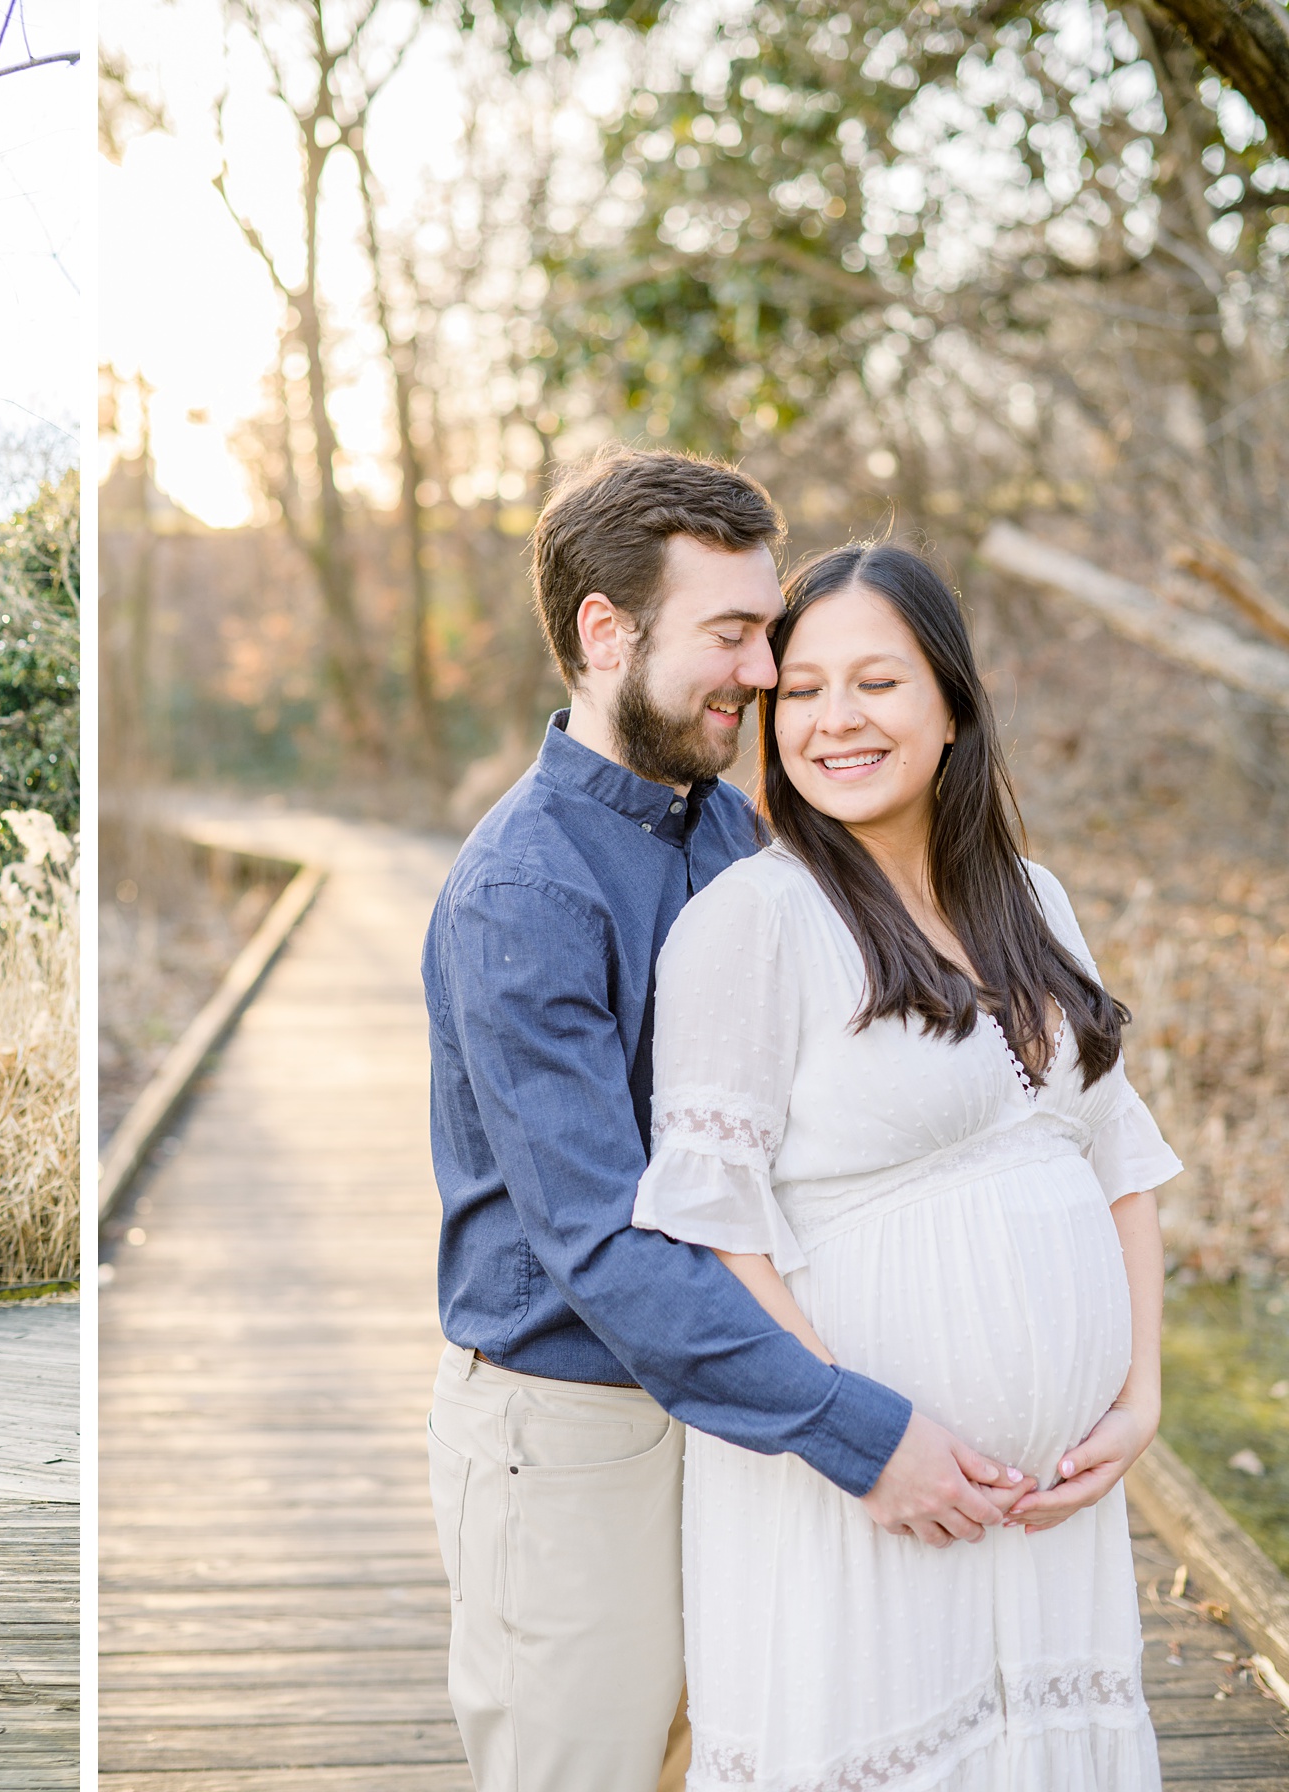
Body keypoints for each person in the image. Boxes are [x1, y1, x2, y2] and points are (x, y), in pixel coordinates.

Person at [421, 447, 1034, 1791]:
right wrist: (858, 1431)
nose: (764, 673)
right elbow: (608, 1243)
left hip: (729, 1410)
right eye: (736, 634)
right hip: (572, 1430)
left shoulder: (726, 830)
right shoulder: (520, 894)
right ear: (606, 630)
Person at [631, 542, 1178, 1787]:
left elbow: (1120, 1165)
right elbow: (720, 1230)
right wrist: (870, 1439)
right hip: (867, 1490)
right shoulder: (752, 922)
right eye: (804, 691)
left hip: (1054, 1503)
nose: (835, 721)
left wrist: (1139, 1400)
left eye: (874, 683)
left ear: (950, 705)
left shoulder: (1030, 898)